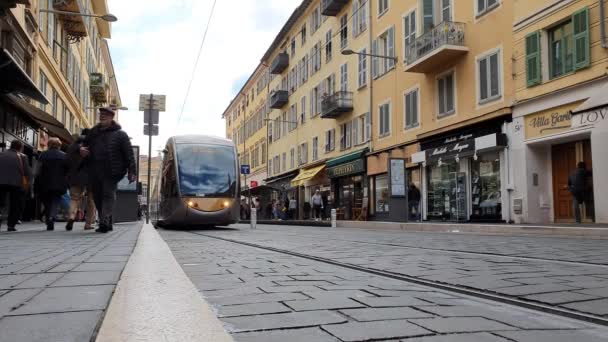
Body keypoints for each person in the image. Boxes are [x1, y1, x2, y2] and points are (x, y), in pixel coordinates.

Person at [81, 107, 136, 233]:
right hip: (94, 170)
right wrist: (81, 149)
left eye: (105, 115)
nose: (102, 116)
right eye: (101, 114)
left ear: (112, 117)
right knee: (97, 196)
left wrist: (132, 171)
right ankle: (107, 221)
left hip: (112, 170)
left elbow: (129, 154)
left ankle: (104, 220)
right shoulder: (93, 133)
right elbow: (82, 143)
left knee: (107, 194)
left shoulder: (120, 134)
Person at [35, 138, 68, 231]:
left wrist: (36, 179)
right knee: (55, 200)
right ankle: (51, 217)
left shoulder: (43, 155)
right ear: (59, 145)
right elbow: (67, 170)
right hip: (59, 182)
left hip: (44, 182)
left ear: (48, 145)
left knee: (46, 201)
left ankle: (49, 216)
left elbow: (38, 170)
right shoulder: (64, 156)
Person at [65, 129, 96, 230]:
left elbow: (66, 162)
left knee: (74, 198)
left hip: (75, 176)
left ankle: (71, 217)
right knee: (91, 200)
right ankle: (88, 224)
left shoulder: (72, 146)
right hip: (91, 176)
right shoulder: (93, 145)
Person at [0, 140, 32, 232]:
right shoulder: (22, 157)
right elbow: (27, 172)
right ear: (20, 148)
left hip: (1, 182)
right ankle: (11, 225)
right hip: (16, 183)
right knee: (15, 204)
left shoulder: (1, 154)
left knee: (0, 202)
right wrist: (28, 183)